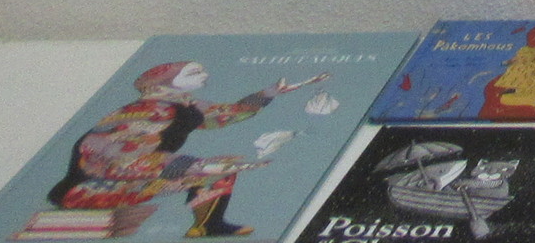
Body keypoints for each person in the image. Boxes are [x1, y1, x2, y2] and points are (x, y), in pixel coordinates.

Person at [38, 59, 326, 238]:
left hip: (135, 177)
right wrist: (194, 166)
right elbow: (121, 160)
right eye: (195, 72)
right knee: (214, 169)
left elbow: (227, 114)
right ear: (168, 81)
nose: (204, 75)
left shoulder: (184, 105)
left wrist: (270, 92)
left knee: (222, 166)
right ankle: (208, 225)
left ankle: (206, 226)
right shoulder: (149, 111)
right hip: (91, 187)